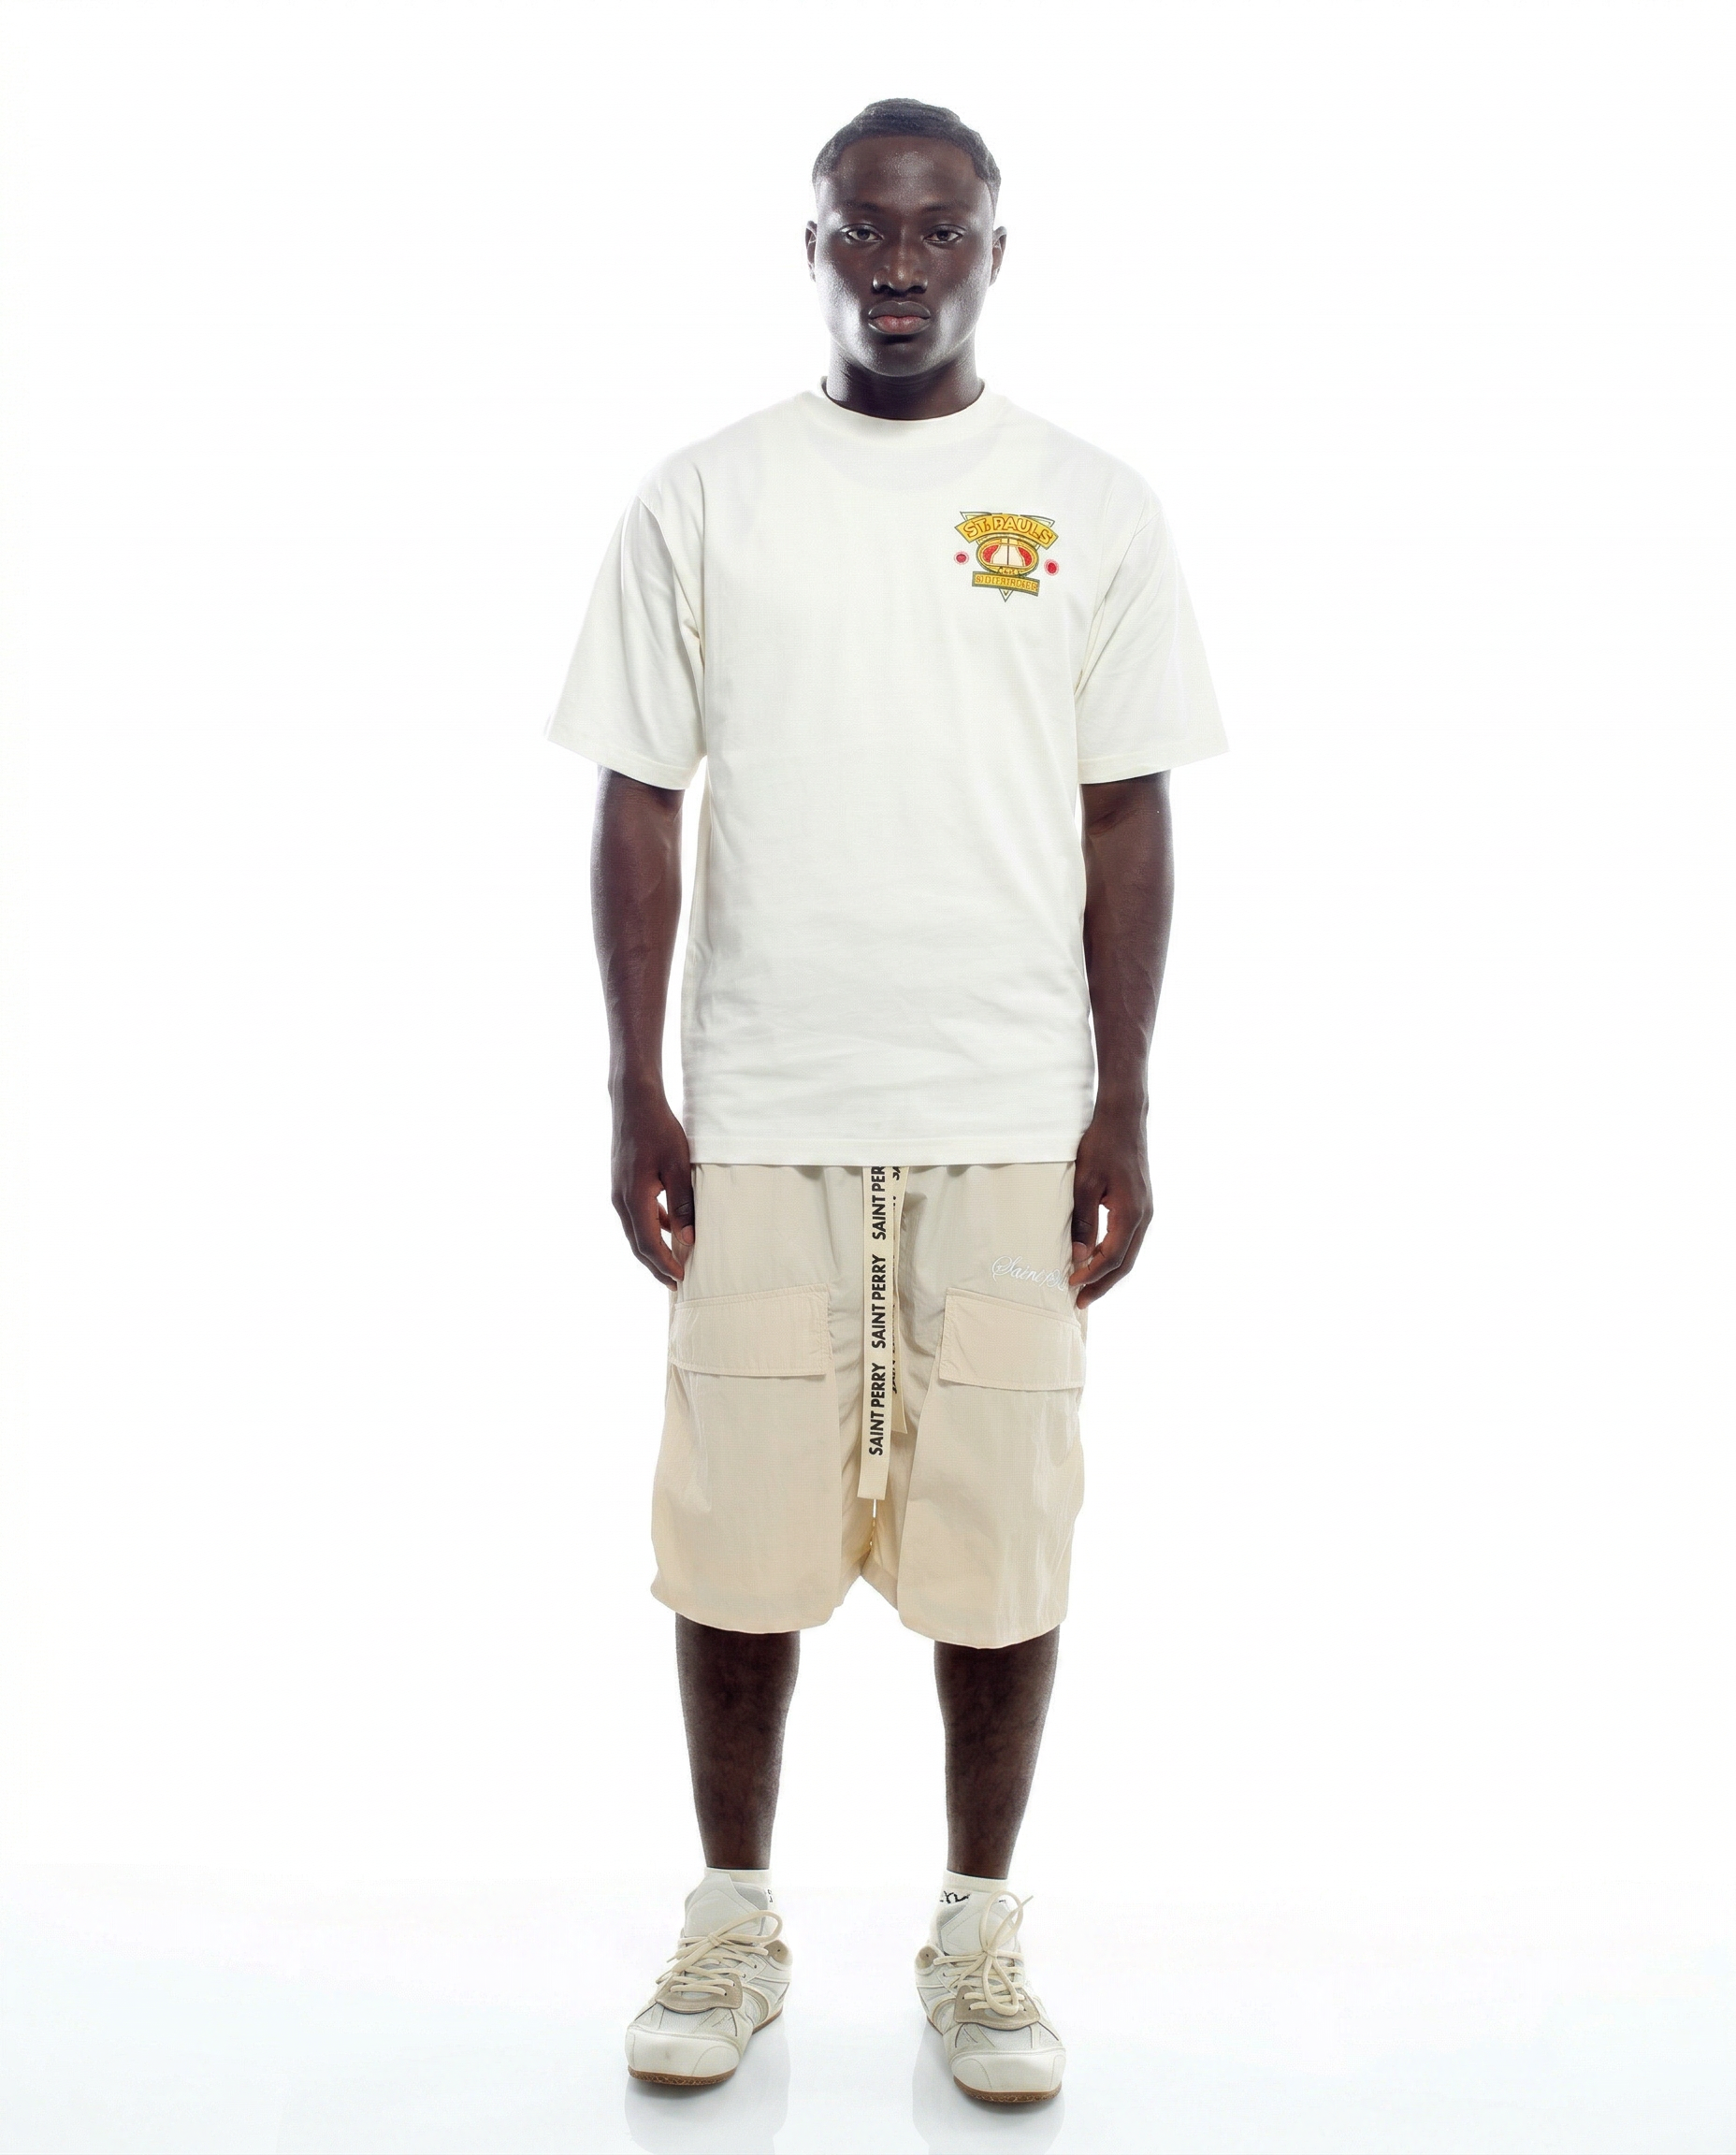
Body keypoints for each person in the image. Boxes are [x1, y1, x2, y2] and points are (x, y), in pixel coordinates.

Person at [546, 96, 1225, 2107]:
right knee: (733, 1531)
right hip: (765, 1098)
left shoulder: (1087, 507)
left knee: (998, 1533)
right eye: (865, 229)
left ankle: (979, 1939)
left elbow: (1126, 815)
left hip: (1007, 1099)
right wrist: (634, 1085)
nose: (902, 266)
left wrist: (1124, 1102)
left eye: (940, 232)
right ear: (815, 246)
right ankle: (731, 1922)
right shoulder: (707, 498)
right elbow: (639, 801)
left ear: (997, 253)